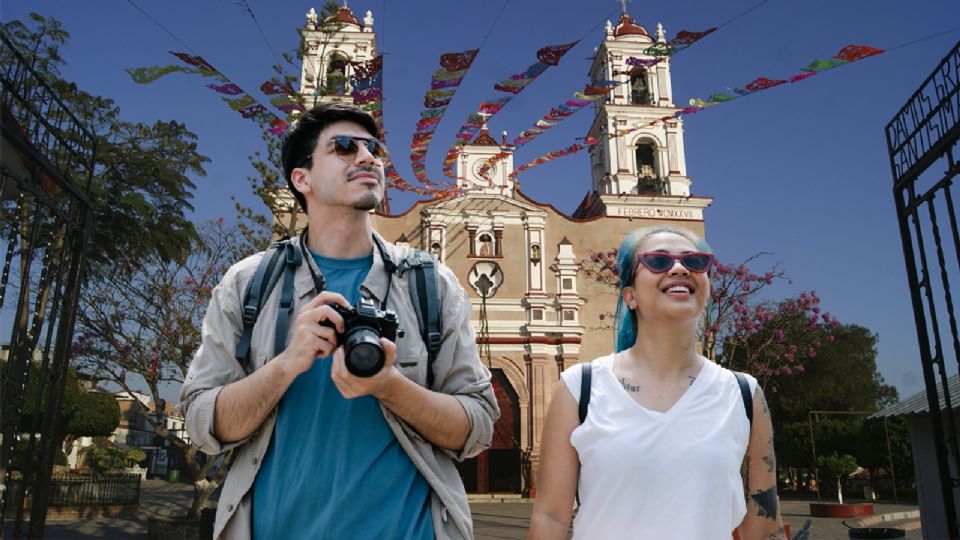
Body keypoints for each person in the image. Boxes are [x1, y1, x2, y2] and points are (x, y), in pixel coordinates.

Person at [180, 102, 499, 540]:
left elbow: (478, 426)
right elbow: (202, 421)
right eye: (344, 147)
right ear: (302, 179)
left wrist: (389, 386)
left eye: (374, 149)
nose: (367, 157)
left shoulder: (431, 284)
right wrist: (287, 362)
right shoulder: (250, 282)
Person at [528, 226, 785, 540]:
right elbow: (551, 518)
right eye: (658, 261)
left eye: (695, 261)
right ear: (630, 296)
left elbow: (764, 525)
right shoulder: (580, 388)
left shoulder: (744, 395)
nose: (679, 268)